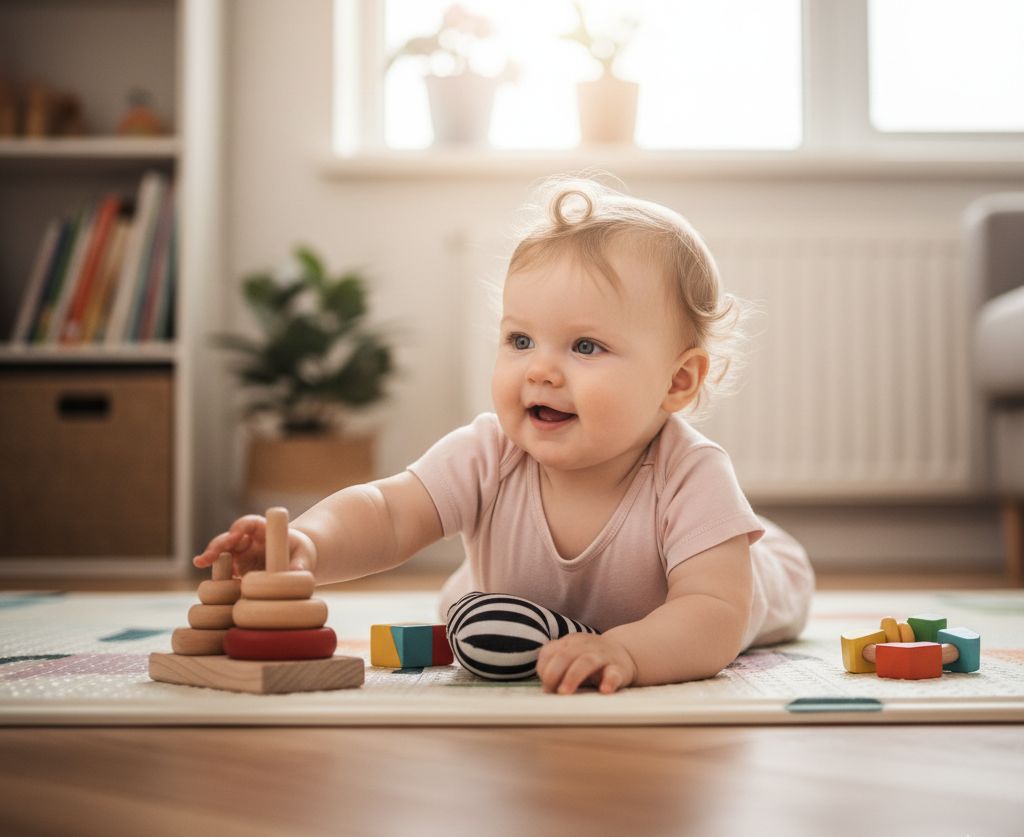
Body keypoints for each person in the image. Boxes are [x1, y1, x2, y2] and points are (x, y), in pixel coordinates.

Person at [194, 178, 815, 695]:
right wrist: (305, 545)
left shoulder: (690, 473)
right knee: (466, 602)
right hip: (524, 606)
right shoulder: (488, 452)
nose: (540, 369)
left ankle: (756, 543)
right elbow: (387, 513)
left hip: (744, 581)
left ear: (677, 381)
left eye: (586, 346)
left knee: (759, 575)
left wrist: (626, 651)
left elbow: (713, 617)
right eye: (520, 340)